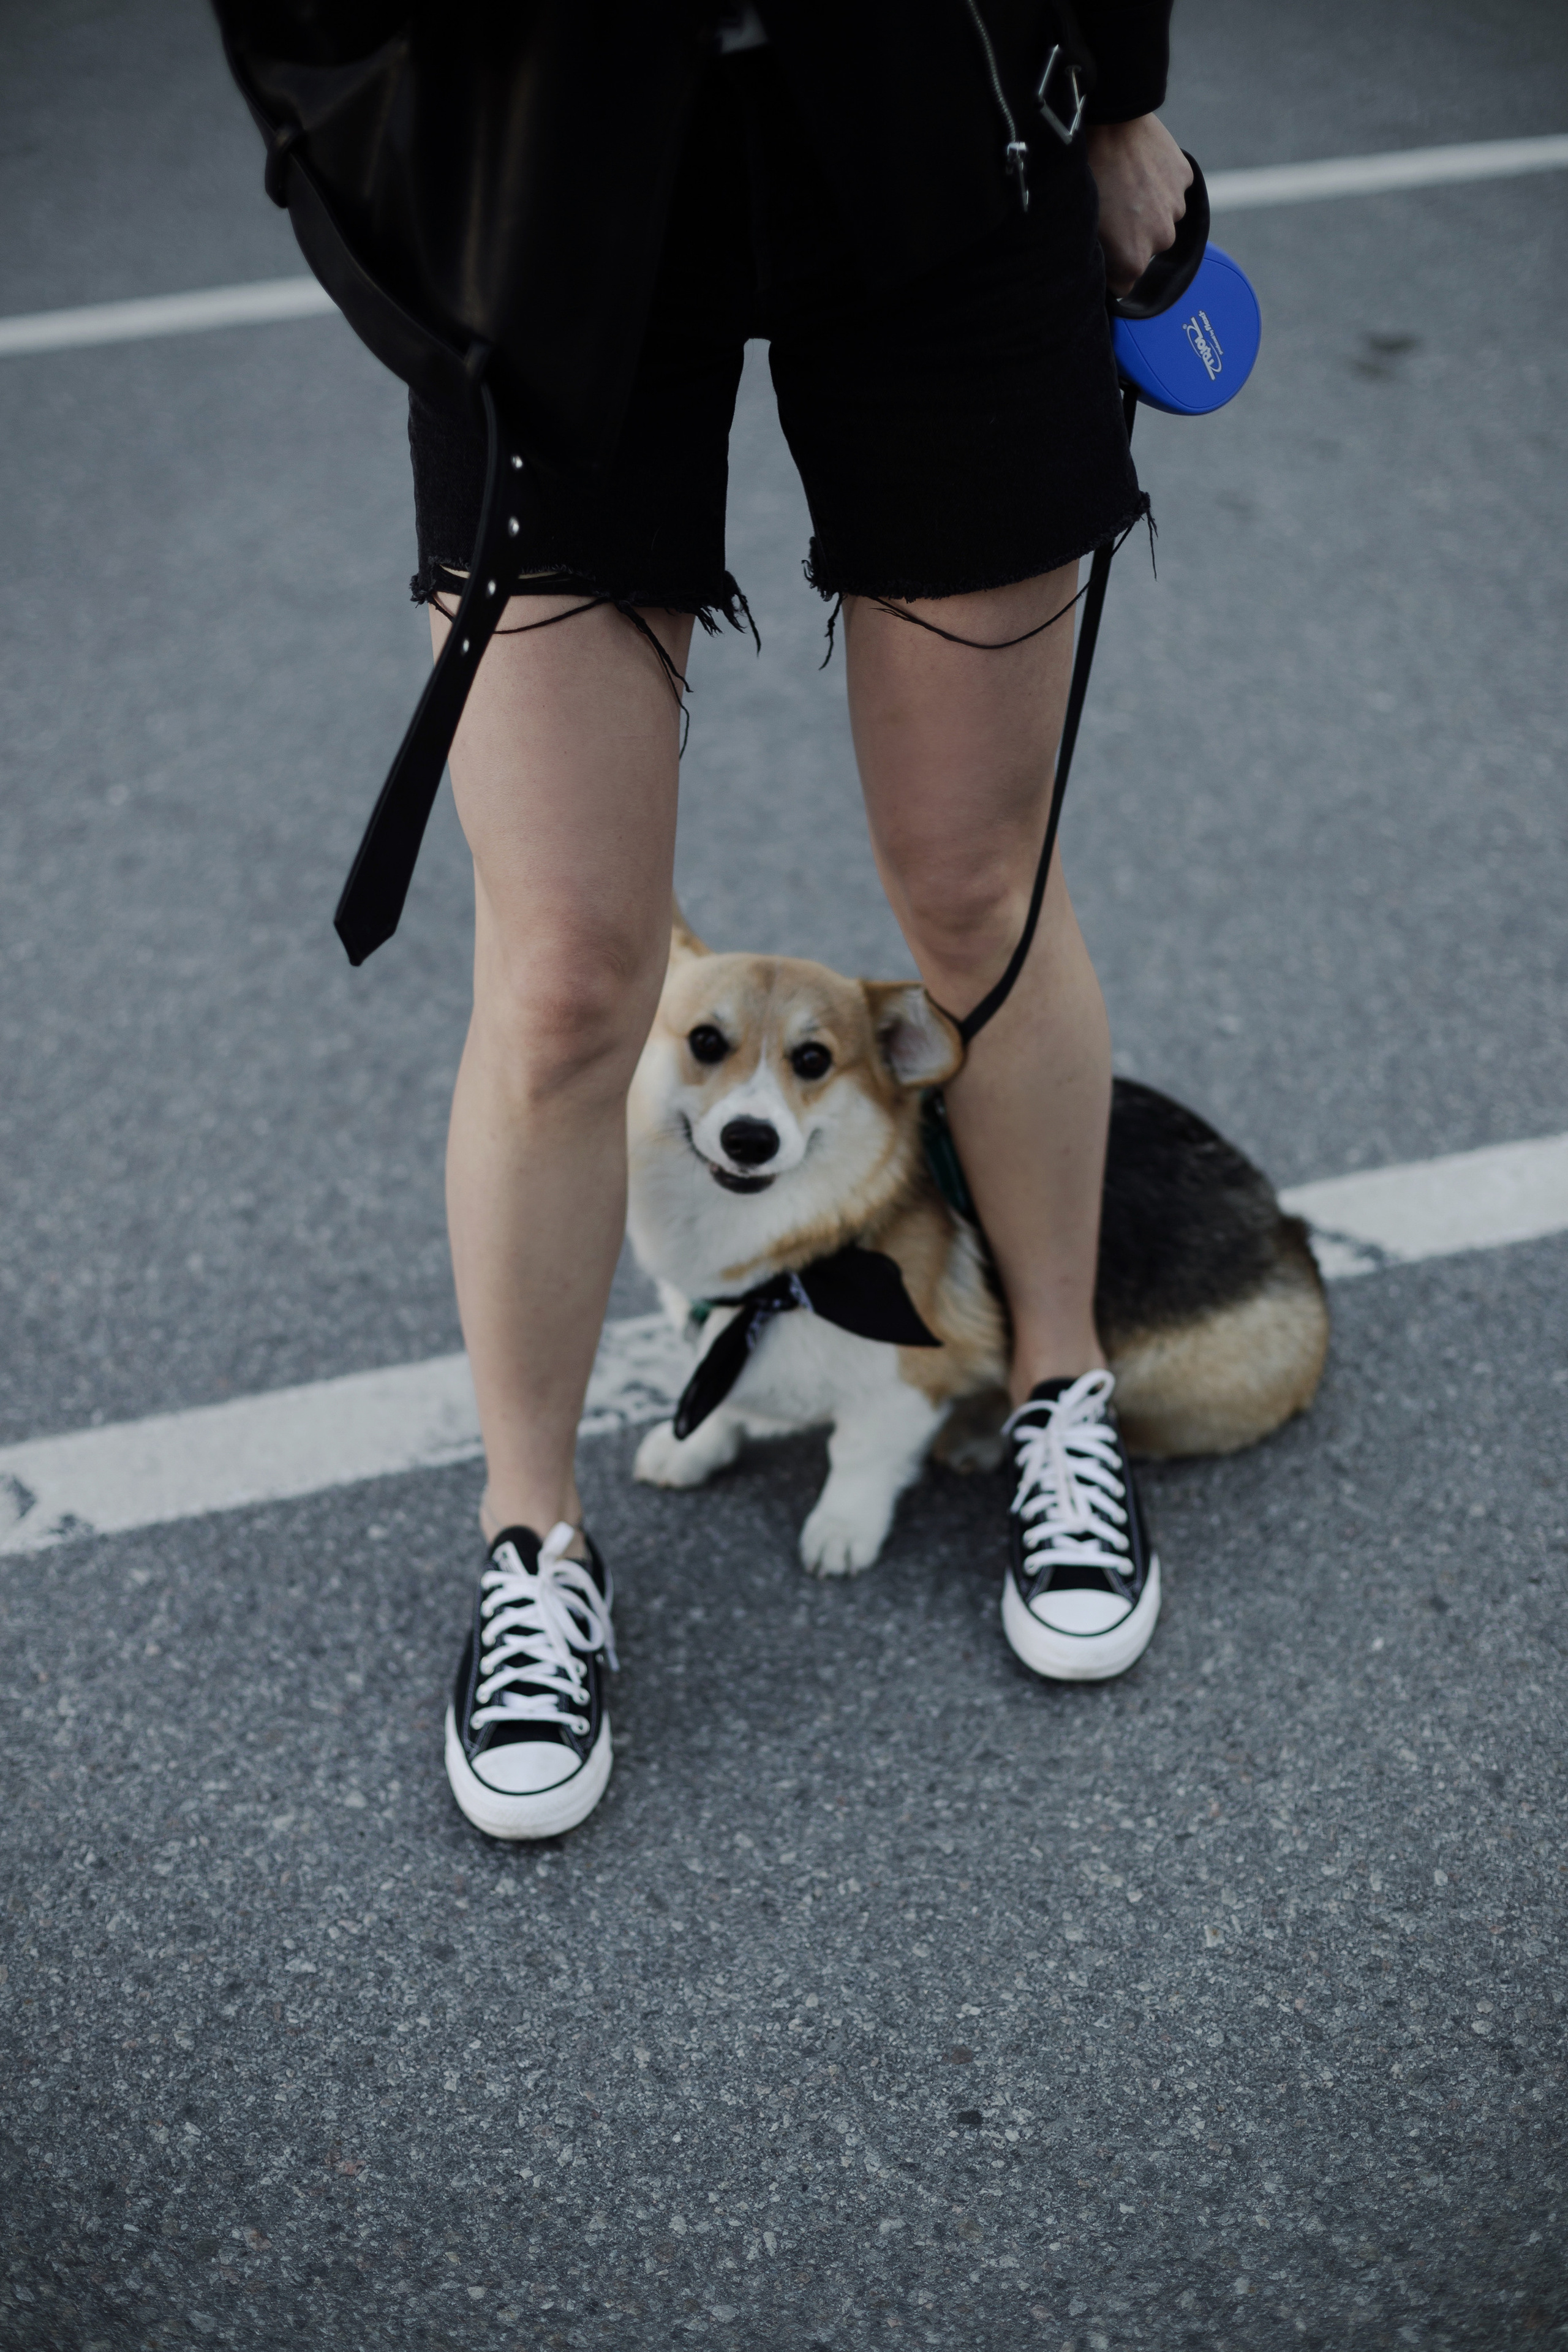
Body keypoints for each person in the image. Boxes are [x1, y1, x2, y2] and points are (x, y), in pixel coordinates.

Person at [221, 0, 1190, 1838]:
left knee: (974, 887)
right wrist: (349, 146)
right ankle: (532, 1542)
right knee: (573, 972)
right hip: (547, 164)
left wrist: (1119, 89)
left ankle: (1061, 1386)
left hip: (936, 110)